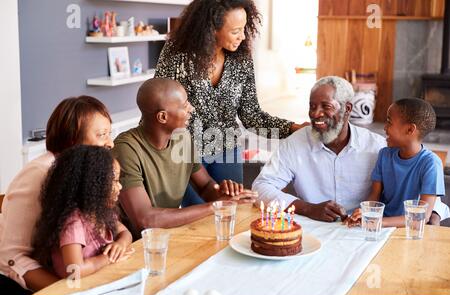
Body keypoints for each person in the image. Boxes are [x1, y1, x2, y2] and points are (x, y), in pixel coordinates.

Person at [154, 0, 308, 206]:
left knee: (232, 209)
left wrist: (294, 128)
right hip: (184, 151)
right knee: (196, 218)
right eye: (236, 30)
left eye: (244, 28)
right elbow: (158, 102)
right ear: (211, 29)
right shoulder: (176, 53)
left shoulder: (241, 58)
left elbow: (251, 115)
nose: (243, 36)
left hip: (226, 148)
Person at [112, 78, 257, 238]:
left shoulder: (182, 137)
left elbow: (206, 185)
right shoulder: (125, 149)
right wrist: (215, 206)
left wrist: (224, 195)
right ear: (162, 117)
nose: (191, 109)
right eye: (184, 105)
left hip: (169, 235)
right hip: (134, 246)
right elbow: (145, 220)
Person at [0, 96, 114, 295]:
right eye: (102, 135)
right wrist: (68, 293)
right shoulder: (38, 174)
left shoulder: (86, 174)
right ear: (72, 139)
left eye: (109, 134)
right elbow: (11, 257)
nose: (111, 143)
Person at [252, 76, 387, 221]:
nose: (316, 114)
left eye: (326, 106)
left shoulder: (376, 146)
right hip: (311, 230)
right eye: (312, 106)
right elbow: (260, 188)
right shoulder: (295, 143)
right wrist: (308, 208)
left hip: (363, 230)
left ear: (347, 109)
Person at [32, 145, 133, 279]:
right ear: (92, 186)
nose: (119, 186)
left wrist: (120, 244)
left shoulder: (102, 212)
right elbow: (74, 270)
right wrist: (108, 258)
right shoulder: (74, 222)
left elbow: (125, 232)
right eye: (114, 181)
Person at [345, 98, 447, 228]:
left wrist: (379, 222)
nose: (385, 127)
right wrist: (364, 213)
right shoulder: (385, 155)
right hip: (381, 225)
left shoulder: (431, 163)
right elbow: (374, 196)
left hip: (407, 228)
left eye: (389, 122)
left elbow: (421, 217)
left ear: (410, 129)